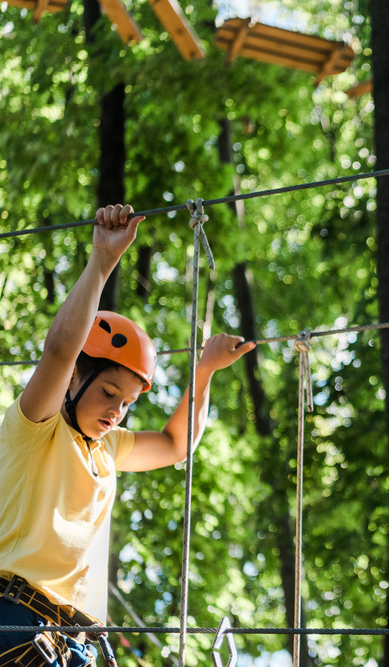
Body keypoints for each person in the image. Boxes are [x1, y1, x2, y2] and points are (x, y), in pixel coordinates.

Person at [0, 204, 253, 667]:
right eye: (109, 392)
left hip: (71, 640)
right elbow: (59, 349)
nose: (117, 411)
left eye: (128, 403)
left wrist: (204, 372)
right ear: (75, 378)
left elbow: (177, 445)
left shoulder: (107, 449)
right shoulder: (35, 427)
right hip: (16, 623)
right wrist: (102, 260)